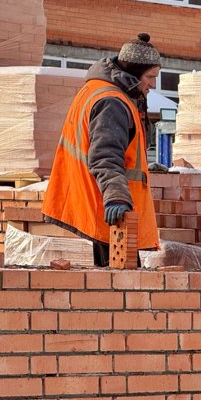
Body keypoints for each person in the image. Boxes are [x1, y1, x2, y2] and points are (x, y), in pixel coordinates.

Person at [42, 33, 161, 267]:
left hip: (97, 197)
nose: (153, 84)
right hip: (108, 205)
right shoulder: (111, 101)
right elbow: (105, 157)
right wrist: (116, 197)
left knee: (112, 278)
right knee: (122, 279)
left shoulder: (101, 89)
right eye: (150, 77)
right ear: (134, 73)